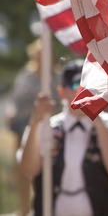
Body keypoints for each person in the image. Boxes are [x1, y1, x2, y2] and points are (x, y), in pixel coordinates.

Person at [17, 59, 108, 216]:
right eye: (76, 86)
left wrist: (98, 123)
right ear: (61, 91)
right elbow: (28, 169)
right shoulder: (46, 128)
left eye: (89, 86)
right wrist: (35, 121)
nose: (83, 92)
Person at [6, 38, 60, 216]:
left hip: (49, 134)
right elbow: (14, 99)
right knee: (22, 171)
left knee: (44, 176)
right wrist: (11, 112)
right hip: (23, 130)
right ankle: (24, 210)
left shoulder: (57, 77)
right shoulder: (25, 75)